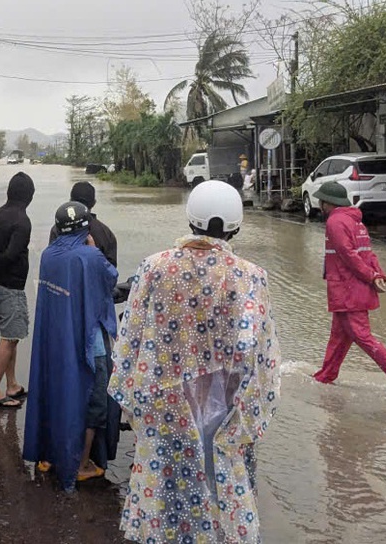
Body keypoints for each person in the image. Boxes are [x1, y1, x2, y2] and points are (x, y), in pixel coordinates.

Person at [110, 180, 281, 543]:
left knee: (166, 487)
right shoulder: (251, 277)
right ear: (236, 226)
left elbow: (130, 343)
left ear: (190, 220)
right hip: (224, 409)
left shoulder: (154, 267)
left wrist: (136, 402)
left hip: (166, 405)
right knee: (220, 486)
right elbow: (260, 356)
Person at [24, 201, 118, 491]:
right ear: (85, 229)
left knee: (55, 393)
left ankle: (49, 455)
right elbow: (110, 279)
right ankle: (81, 464)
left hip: (57, 340)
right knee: (94, 404)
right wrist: (93, 247)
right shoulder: (90, 255)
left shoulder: (48, 255)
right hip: (89, 344)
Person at [310, 182, 386, 399]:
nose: (320, 205)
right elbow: (368, 254)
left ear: (327, 203)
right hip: (352, 290)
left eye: (322, 201)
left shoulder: (335, 222)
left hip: (347, 290)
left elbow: (348, 256)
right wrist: (377, 275)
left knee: (363, 337)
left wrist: (371, 276)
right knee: (338, 338)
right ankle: (325, 377)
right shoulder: (356, 222)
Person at [0, 171, 34, 408]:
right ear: (30, 195)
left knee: (11, 337)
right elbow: (11, 255)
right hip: (9, 287)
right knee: (10, 338)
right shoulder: (22, 221)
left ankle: (12, 384)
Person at [47, 181, 118, 267]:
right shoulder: (105, 233)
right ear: (94, 203)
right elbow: (111, 269)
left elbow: (52, 262)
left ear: (70, 201)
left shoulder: (58, 229)